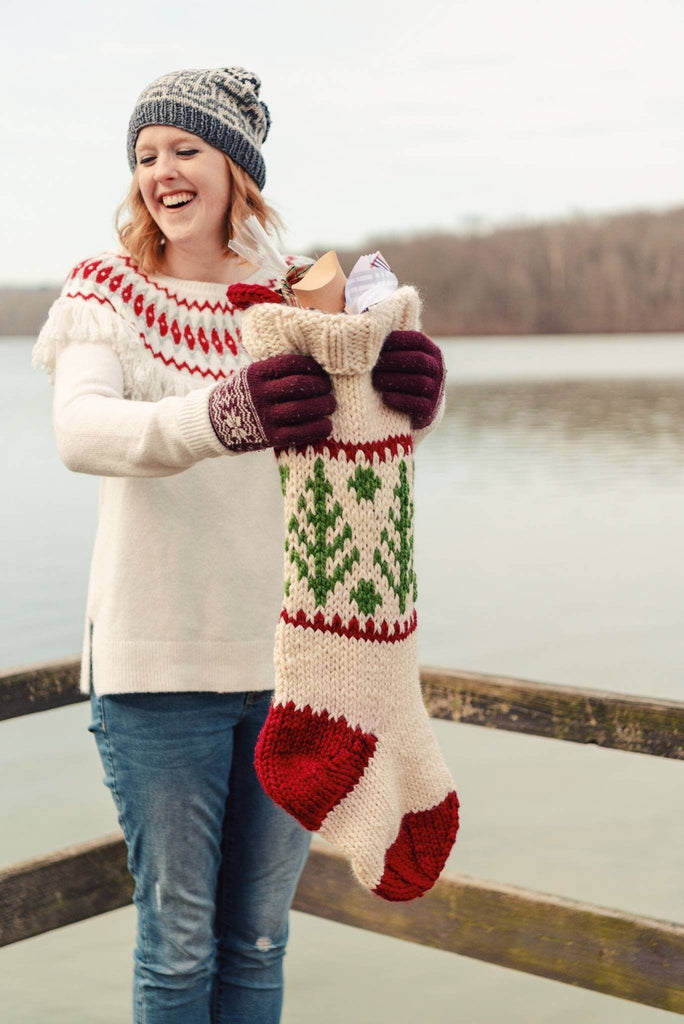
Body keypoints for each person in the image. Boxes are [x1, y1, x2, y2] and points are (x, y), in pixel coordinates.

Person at [32, 66, 446, 1024]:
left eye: (186, 150)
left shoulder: (292, 298)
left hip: (295, 672)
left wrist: (413, 395)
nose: (162, 173)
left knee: (259, 941)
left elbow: (353, 440)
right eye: (145, 156)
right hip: (155, 674)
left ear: (236, 170)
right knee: (177, 949)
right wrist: (219, 415)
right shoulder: (108, 290)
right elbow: (81, 431)